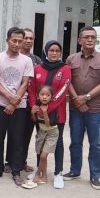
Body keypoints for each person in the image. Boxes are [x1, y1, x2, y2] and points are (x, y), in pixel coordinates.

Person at [65, 26, 100, 190]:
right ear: (79, 40)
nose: (90, 39)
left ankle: (95, 176)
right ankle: (74, 170)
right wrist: (77, 100)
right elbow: (67, 81)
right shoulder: (71, 59)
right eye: (86, 37)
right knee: (75, 141)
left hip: (95, 109)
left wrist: (86, 98)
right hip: (75, 109)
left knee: (95, 144)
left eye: (93, 37)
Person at [0, 27, 33, 187]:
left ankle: (16, 171)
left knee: (18, 139)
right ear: (7, 40)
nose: (17, 44)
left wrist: (14, 103)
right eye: (14, 40)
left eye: (20, 41)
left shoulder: (26, 61)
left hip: (19, 106)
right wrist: (9, 98)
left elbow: (25, 83)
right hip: (0, 104)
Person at [28, 40, 72, 189]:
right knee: (40, 141)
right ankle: (40, 171)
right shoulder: (37, 68)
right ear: (46, 52)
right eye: (51, 50)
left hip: (57, 113)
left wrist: (48, 108)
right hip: (39, 113)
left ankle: (58, 173)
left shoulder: (65, 69)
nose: (54, 53)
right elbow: (32, 89)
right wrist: (34, 106)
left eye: (57, 51)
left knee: (57, 142)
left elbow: (63, 90)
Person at [21, 86, 59, 189]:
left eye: (47, 95)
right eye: (42, 94)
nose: (44, 97)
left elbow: (49, 124)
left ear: (51, 97)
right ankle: (45, 177)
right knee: (42, 155)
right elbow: (35, 120)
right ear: (38, 96)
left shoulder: (53, 107)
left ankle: (38, 175)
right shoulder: (37, 104)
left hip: (51, 133)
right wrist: (32, 113)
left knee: (43, 156)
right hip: (42, 132)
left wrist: (45, 112)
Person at [18, 28, 42, 173]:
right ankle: (10, 162)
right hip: (16, 102)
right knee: (15, 134)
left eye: (30, 38)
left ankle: (22, 162)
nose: (28, 41)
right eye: (25, 38)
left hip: (32, 103)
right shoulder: (14, 57)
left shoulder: (37, 61)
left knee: (27, 134)